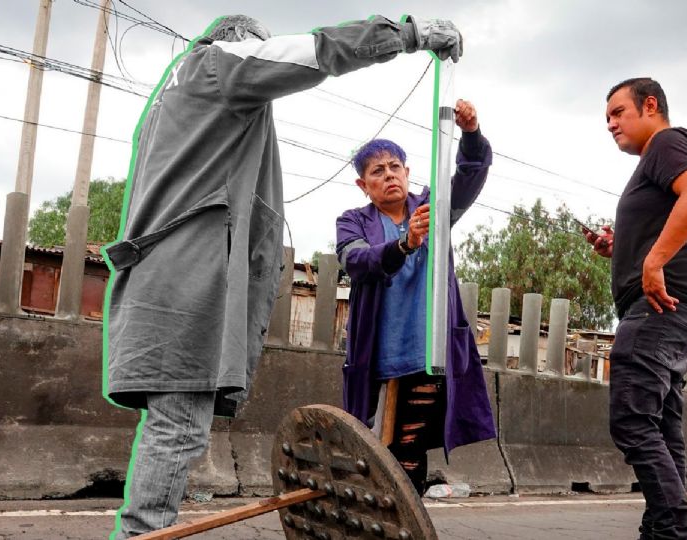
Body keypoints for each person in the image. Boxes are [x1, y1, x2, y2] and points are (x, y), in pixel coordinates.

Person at [103, 13, 465, 538]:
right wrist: (407, 35)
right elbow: (316, 52)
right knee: (178, 422)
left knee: (174, 421)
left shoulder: (177, 92)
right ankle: (141, 535)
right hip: (186, 280)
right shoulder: (221, 63)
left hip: (170, 272)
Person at [335, 99, 496, 495]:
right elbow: (356, 261)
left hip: (428, 352)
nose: (389, 175)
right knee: (377, 451)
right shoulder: (353, 221)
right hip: (378, 354)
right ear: (363, 184)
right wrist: (405, 244)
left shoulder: (434, 208)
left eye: (395, 167)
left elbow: (471, 173)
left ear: (407, 173)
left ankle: (407, 524)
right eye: (378, 171)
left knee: (409, 445)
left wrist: (471, 133)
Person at [587, 77, 687, 540]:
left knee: (631, 416)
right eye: (607, 118)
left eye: (618, 112)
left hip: (659, 307)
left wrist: (655, 261)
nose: (611, 124)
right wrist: (621, 248)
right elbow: (671, 216)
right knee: (661, 424)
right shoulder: (658, 158)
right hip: (674, 305)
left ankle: (670, 531)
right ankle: (663, 530)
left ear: (651, 106)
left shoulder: (666, 142)